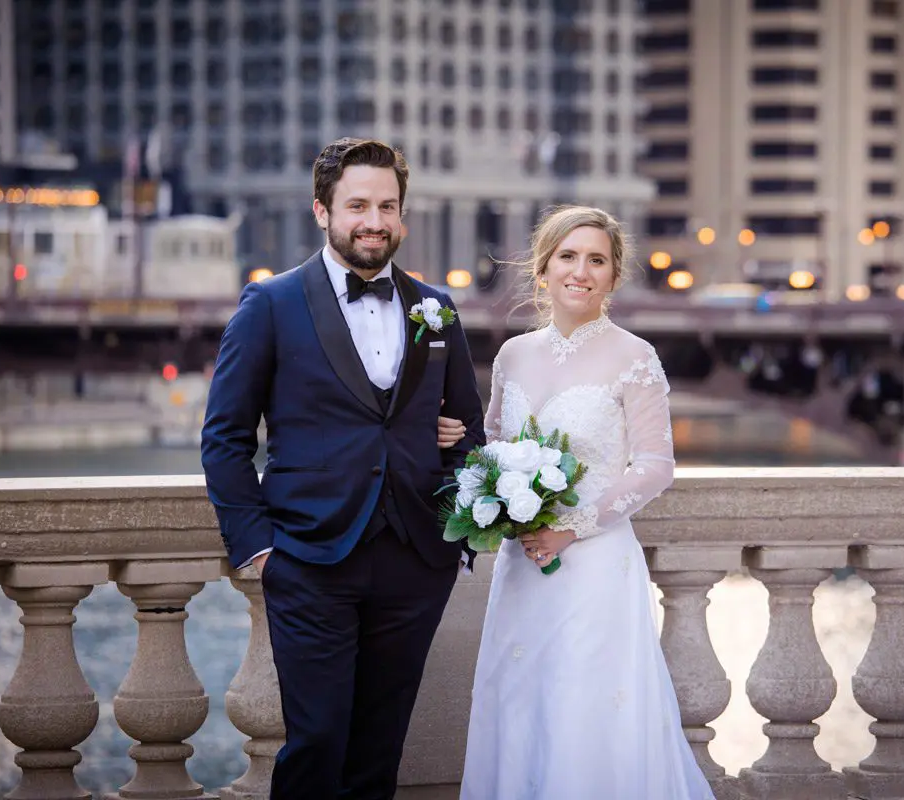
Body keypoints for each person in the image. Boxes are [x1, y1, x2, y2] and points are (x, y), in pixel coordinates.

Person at [201, 138, 485, 800]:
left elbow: (468, 428)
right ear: (322, 211)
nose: (374, 220)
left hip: (415, 562)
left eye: (387, 206)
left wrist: (451, 524)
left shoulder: (436, 308)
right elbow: (225, 436)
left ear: (403, 217)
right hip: (308, 560)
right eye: (358, 205)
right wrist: (259, 548)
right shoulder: (269, 305)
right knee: (318, 742)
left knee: (378, 752)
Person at [456, 206, 715, 799]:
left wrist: (570, 527)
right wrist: (494, 497)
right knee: (520, 693)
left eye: (596, 259)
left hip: (596, 563)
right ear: (543, 269)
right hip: (524, 565)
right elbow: (496, 448)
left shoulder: (635, 356)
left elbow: (655, 465)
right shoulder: (512, 356)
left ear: (614, 275)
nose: (581, 271)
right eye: (567, 257)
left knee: (588, 703)